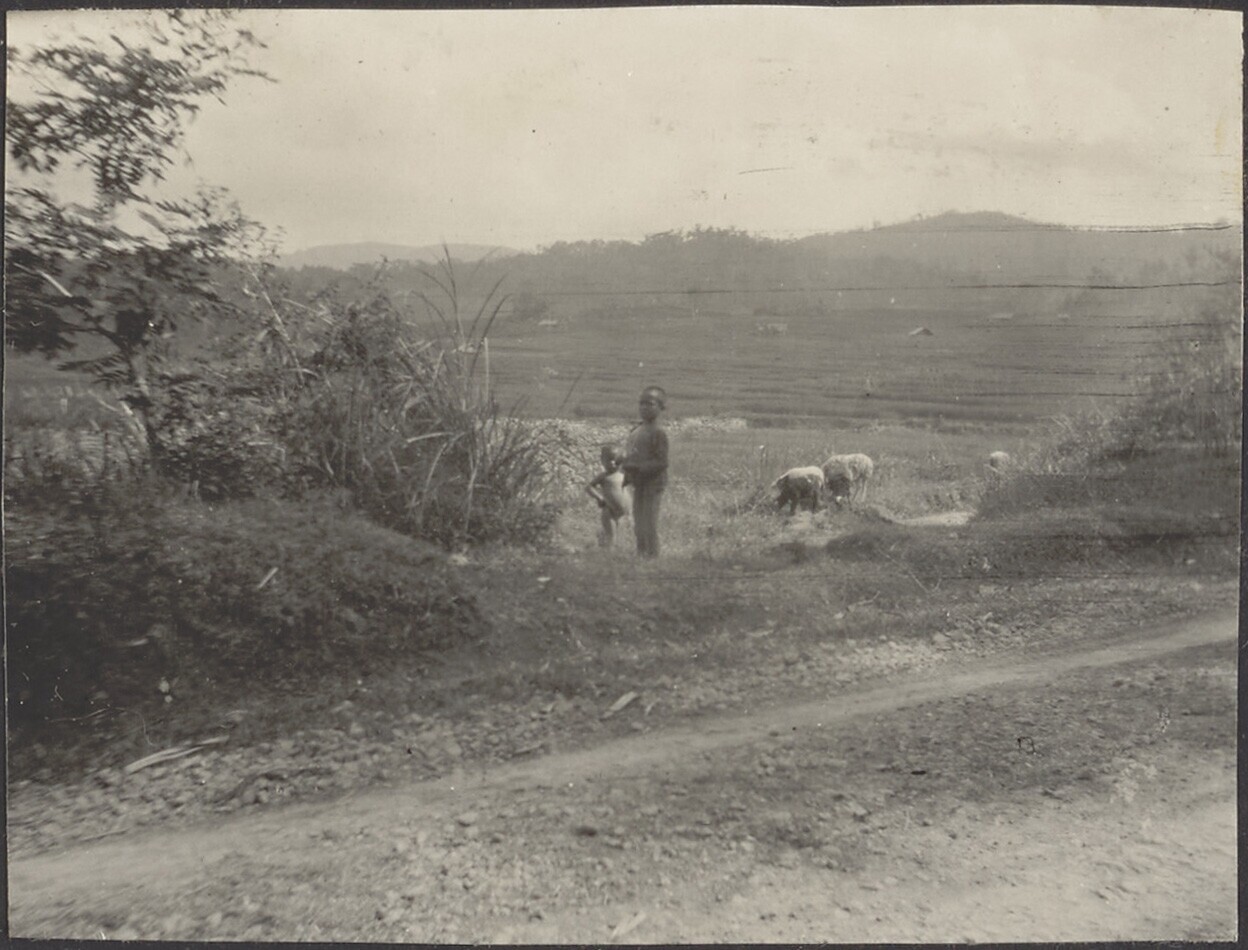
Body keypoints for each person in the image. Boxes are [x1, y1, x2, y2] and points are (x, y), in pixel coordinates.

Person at [621, 385, 669, 558]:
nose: (644, 408)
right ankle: (641, 553)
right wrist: (627, 470)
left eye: (650, 404)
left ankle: (652, 556)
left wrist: (639, 467)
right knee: (639, 520)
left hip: (653, 483)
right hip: (639, 482)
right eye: (641, 403)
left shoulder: (658, 433)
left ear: (661, 407)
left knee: (649, 521)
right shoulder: (637, 431)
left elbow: (662, 461)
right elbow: (632, 454)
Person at [586, 444, 630, 547]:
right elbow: (589, 487)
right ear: (603, 461)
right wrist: (599, 497)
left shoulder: (623, 475)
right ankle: (609, 553)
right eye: (610, 459)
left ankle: (610, 548)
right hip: (609, 511)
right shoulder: (604, 476)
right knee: (611, 536)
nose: (613, 463)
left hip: (623, 513)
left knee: (621, 539)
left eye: (616, 460)